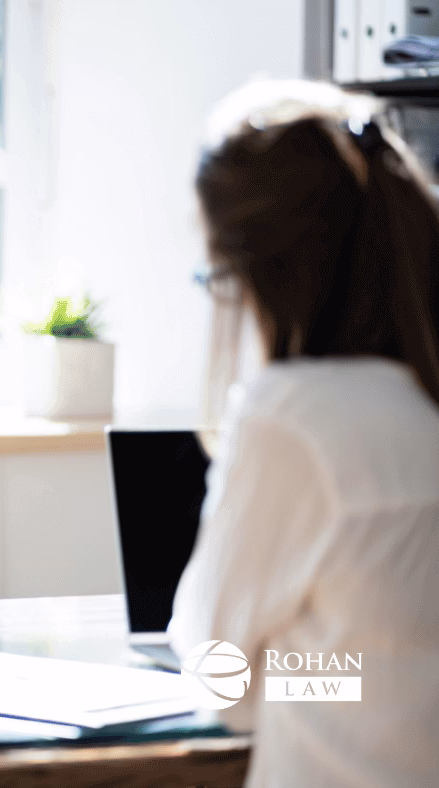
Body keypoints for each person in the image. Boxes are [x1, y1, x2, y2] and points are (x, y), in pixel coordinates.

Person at [168, 80, 439, 787]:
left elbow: (220, 678)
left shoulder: (292, 419)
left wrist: (306, 671)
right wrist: (355, 672)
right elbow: (402, 670)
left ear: (259, 270)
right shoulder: (420, 406)